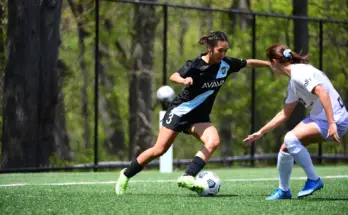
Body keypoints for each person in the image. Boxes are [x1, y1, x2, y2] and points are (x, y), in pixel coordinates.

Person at [116, 31, 270, 195]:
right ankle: (125, 174)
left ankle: (188, 176)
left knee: (213, 141)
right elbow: (174, 76)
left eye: (226, 50)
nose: (223, 54)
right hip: (180, 111)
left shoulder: (226, 64)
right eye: (220, 50)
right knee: (159, 150)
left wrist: (269, 64)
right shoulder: (196, 65)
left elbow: (248, 63)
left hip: (200, 116)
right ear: (209, 48)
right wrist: (184, 80)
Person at [243, 43, 348, 200]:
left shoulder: (299, 73)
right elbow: (285, 114)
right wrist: (260, 132)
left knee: (290, 139)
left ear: (274, 62)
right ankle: (284, 190)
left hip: (334, 119)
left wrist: (332, 124)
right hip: (320, 117)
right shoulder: (294, 80)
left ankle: (314, 180)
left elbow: (323, 93)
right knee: (286, 148)